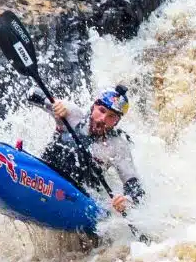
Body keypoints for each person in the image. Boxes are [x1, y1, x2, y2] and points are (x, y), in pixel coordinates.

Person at [38, 85, 143, 215]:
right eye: (102, 110)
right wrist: (56, 105)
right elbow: (33, 94)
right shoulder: (72, 114)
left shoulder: (117, 145)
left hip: (77, 195)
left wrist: (127, 200)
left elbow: (135, 186)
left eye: (111, 116)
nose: (103, 119)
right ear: (93, 107)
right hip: (45, 174)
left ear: (116, 122)